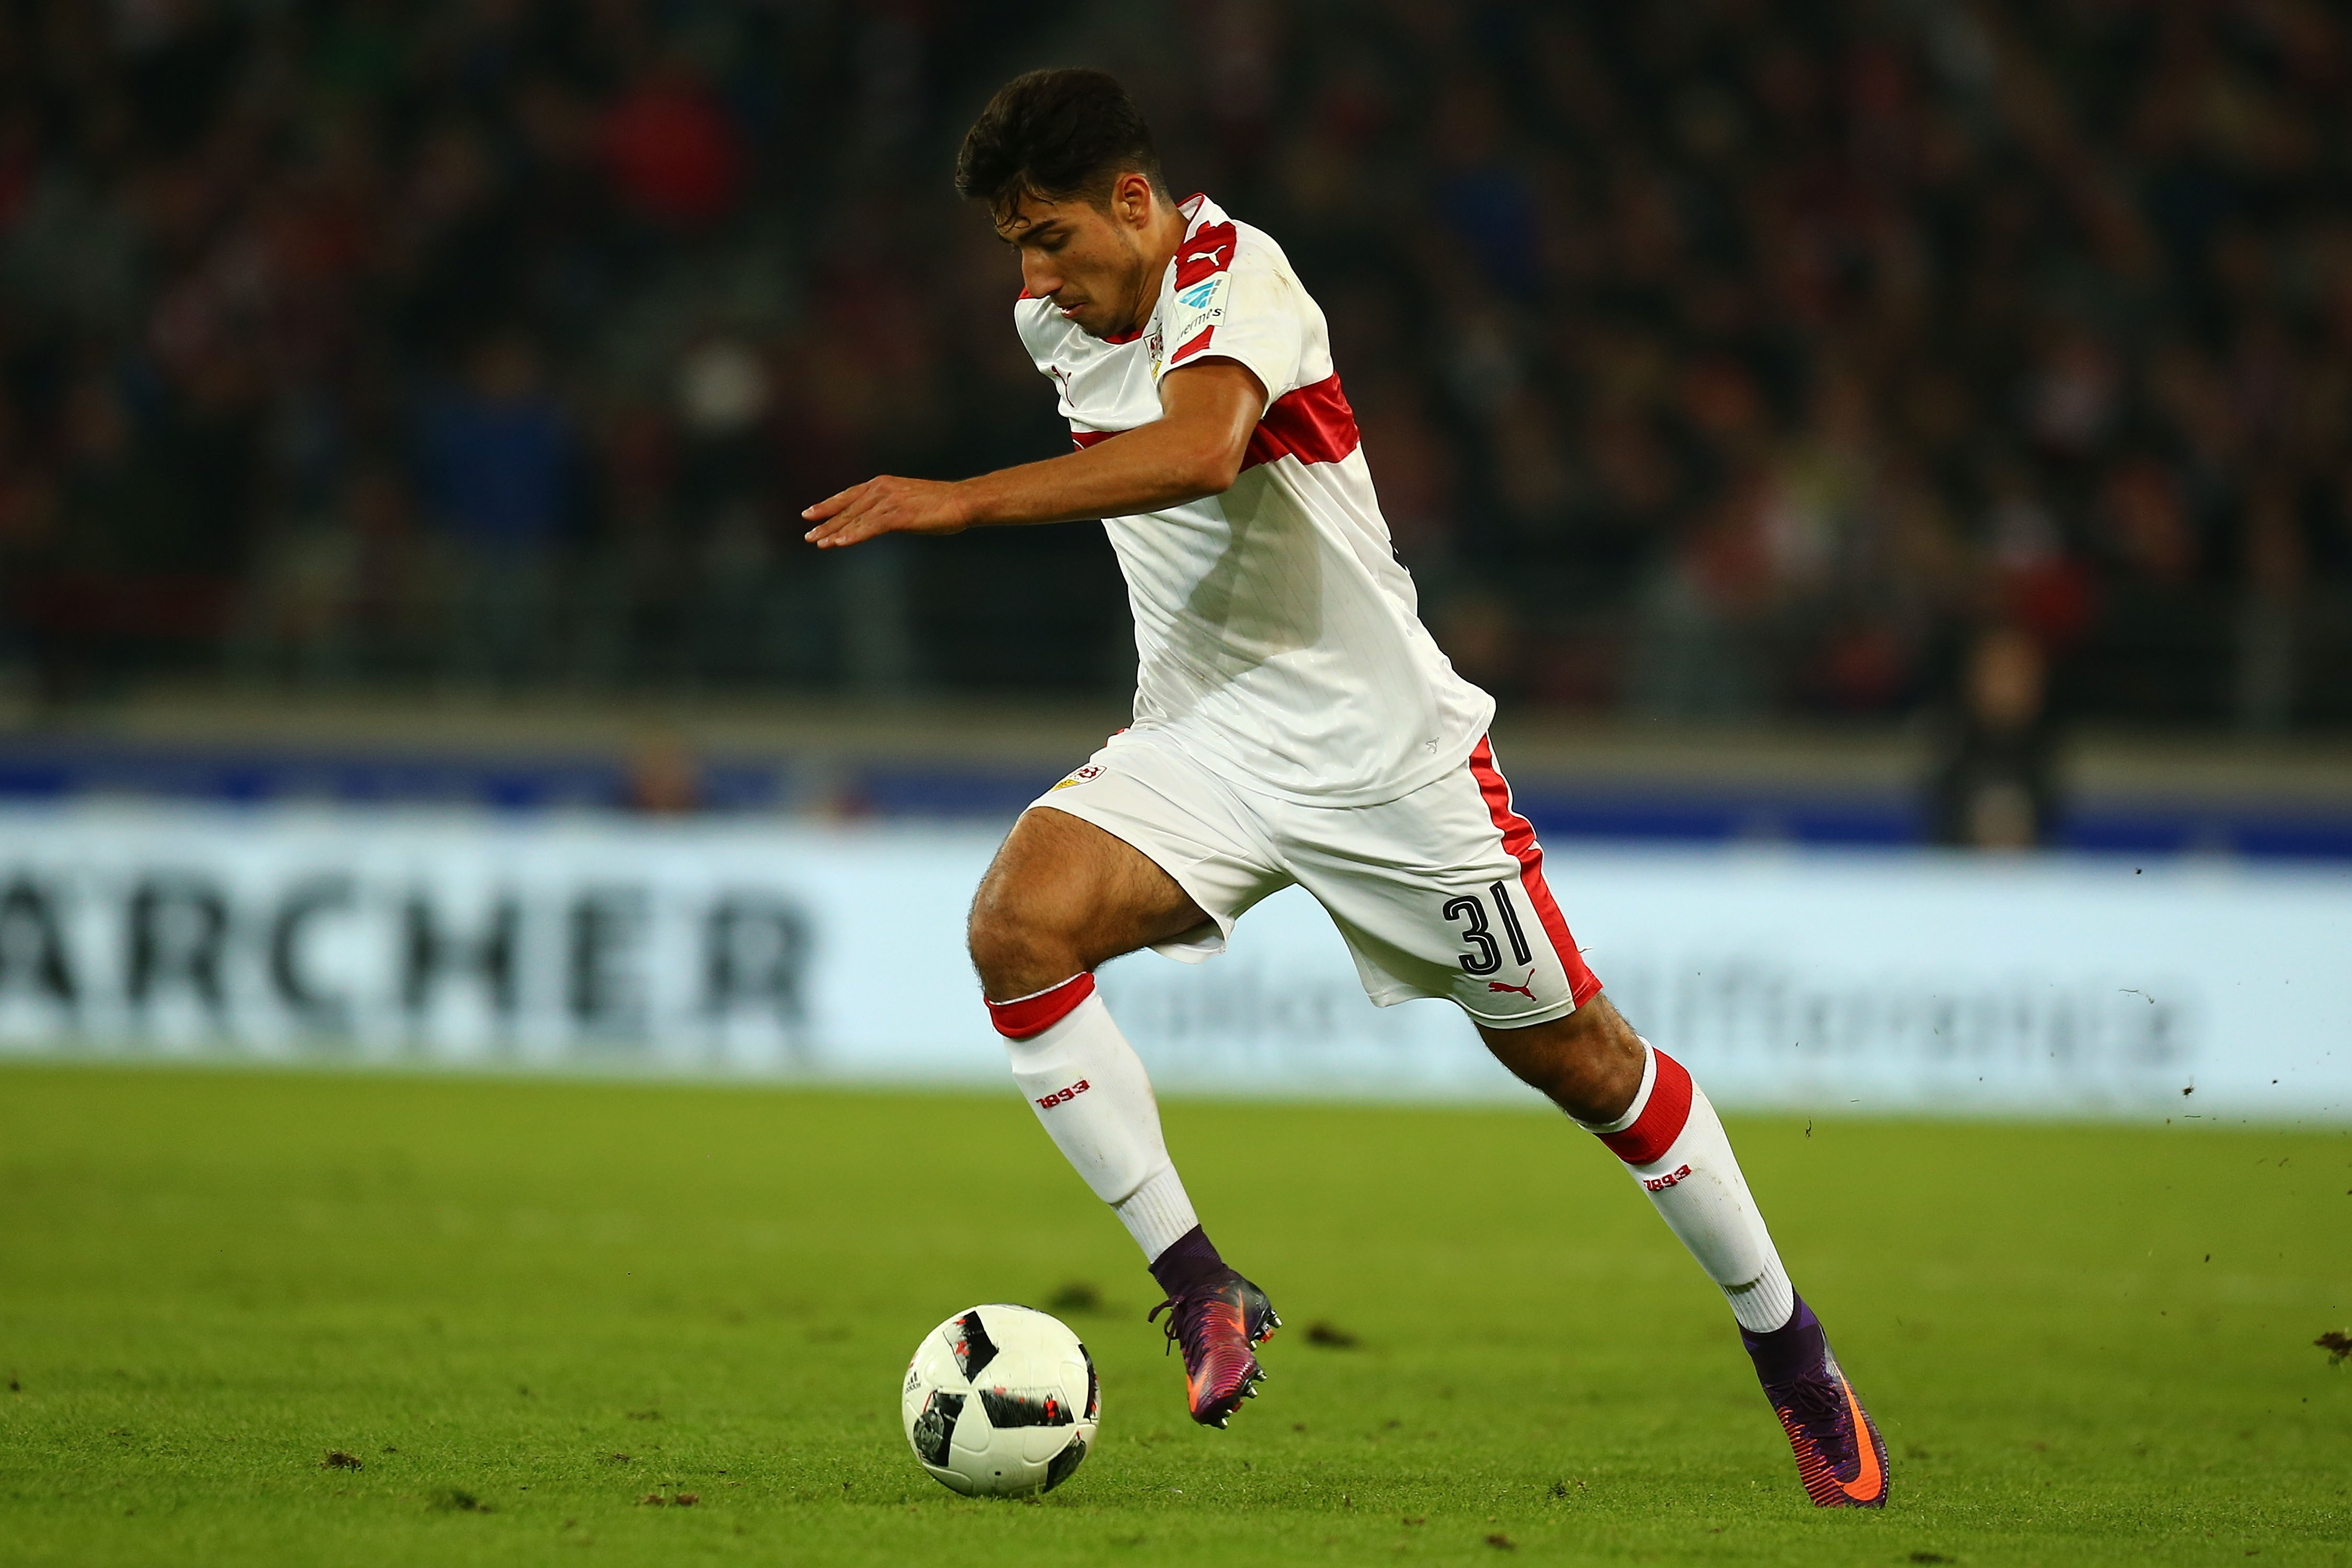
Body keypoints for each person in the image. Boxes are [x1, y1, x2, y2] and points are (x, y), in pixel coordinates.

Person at [802, 68, 1887, 1509]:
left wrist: (957, 498)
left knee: (1584, 1066)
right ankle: (1199, 1285)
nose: (1033, 274)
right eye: (1015, 245)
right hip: (1204, 743)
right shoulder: (1054, 321)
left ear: (1135, 201)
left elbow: (1198, 453)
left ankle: (1791, 1357)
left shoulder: (1239, 273)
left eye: (1051, 234)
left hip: (1385, 764)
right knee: (1016, 924)